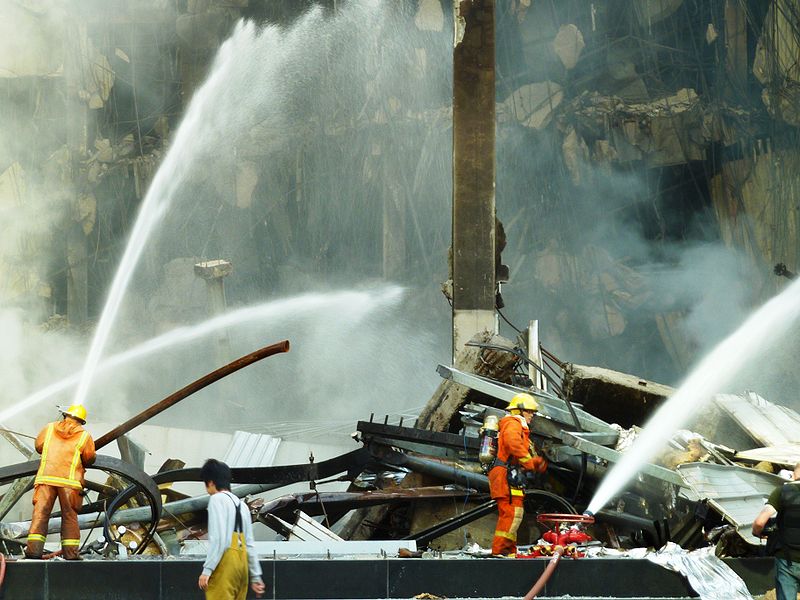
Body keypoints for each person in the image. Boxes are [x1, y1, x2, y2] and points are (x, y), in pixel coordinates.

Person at [25, 404, 95, 560]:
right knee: (69, 517)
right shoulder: (84, 436)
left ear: (66, 415)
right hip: (69, 483)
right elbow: (89, 457)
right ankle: (71, 554)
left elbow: (39, 446)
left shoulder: (49, 429)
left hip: (46, 479)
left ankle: (33, 551)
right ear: (81, 421)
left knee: (40, 515)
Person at [489, 393, 547, 556]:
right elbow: (512, 443)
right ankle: (500, 550)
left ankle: (508, 550)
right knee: (511, 513)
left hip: (511, 475)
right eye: (529, 412)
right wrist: (529, 462)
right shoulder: (512, 423)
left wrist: (535, 463)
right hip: (505, 475)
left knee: (515, 513)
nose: (532, 415)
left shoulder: (517, 425)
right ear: (519, 411)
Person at [198, 459, 265, 599]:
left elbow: (219, 538)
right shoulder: (242, 505)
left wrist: (207, 570)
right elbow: (250, 543)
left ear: (210, 482)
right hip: (242, 567)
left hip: (226, 564)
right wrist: (256, 577)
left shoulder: (216, 499)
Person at [753, 463, 800, 600]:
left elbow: (759, 522)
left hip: (787, 559)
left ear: (793, 474)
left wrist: (757, 533)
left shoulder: (782, 492)